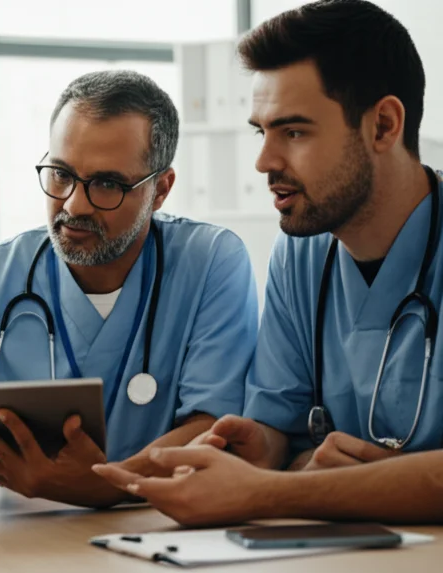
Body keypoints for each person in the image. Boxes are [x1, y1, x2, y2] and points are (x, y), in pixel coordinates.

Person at [94, 0, 443, 526]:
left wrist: (275, 492)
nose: (264, 162)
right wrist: (262, 446)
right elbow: (282, 430)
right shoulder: (301, 254)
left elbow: (291, 483)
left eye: (295, 132)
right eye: (262, 132)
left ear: (384, 125)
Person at [0, 70, 259, 508]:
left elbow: (213, 426)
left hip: (160, 527)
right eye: (60, 174)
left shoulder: (210, 262)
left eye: (106, 184)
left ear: (160, 189)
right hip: (21, 544)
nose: (74, 204)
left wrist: (108, 484)